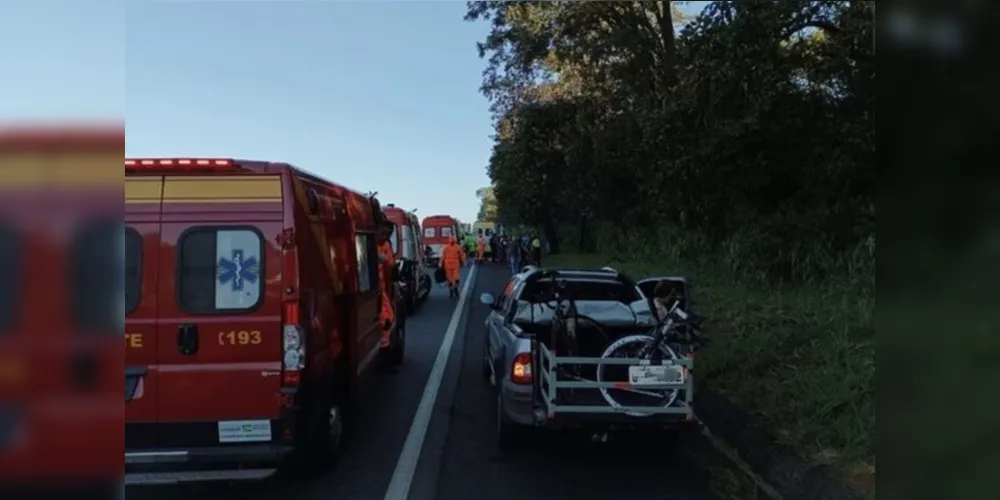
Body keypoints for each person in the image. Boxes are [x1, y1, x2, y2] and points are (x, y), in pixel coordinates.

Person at [376, 217, 397, 349]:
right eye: (383, 233)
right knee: (385, 317)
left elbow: (390, 265)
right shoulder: (369, 243)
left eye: (388, 234)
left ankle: (385, 343)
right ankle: (383, 343)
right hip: (371, 288)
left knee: (389, 316)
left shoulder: (386, 245)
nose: (385, 236)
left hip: (381, 287)